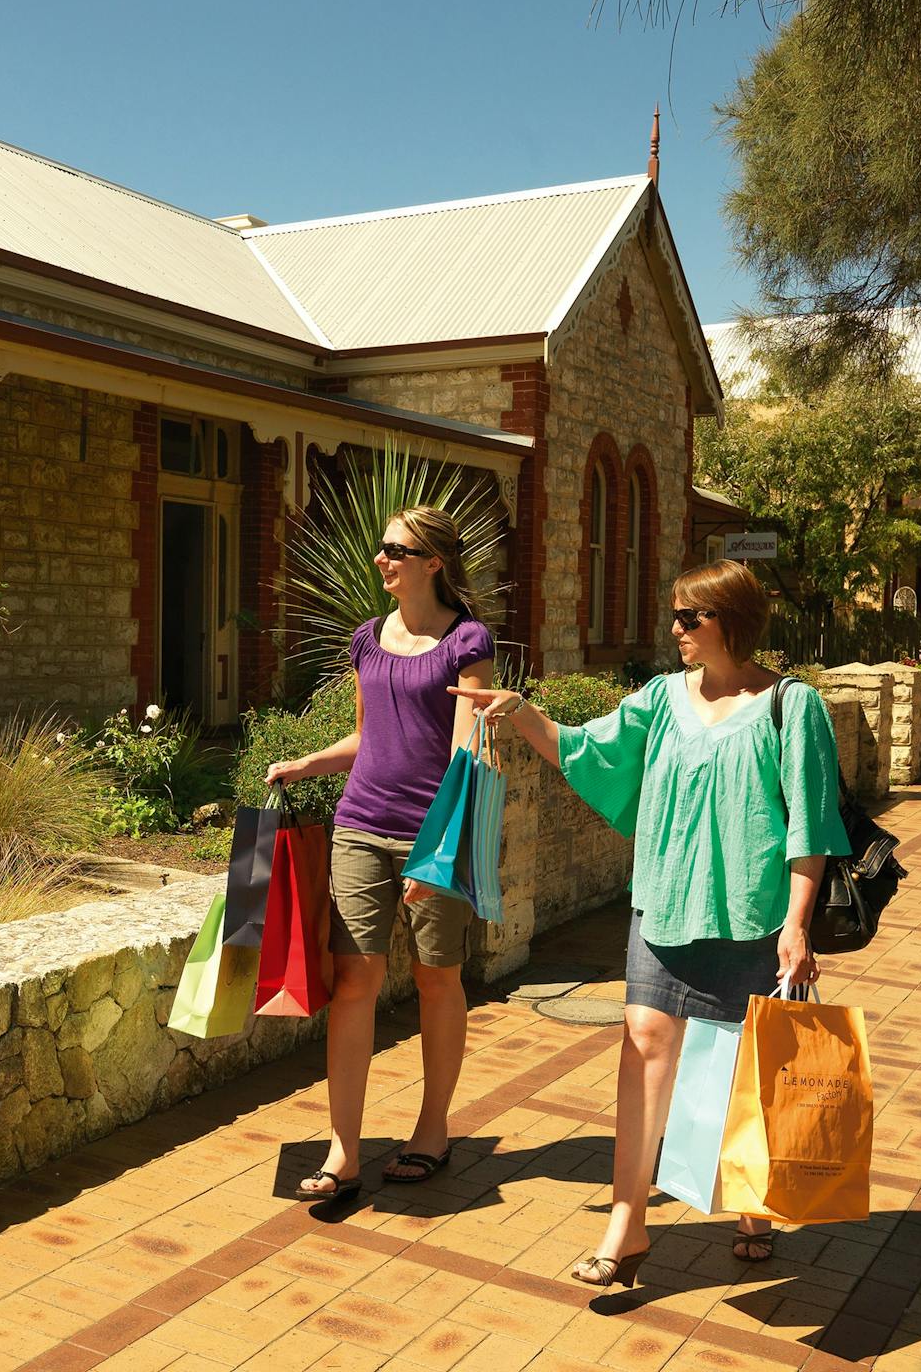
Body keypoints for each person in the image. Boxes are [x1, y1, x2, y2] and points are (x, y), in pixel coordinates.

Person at [451, 559, 848, 1285]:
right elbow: (586, 748)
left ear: (729, 619)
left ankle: (752, 1202)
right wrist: (518, 710)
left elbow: (810, 826)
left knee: (739, 1069)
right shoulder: (661, 699)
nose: (674, 630)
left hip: (751, 916)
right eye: (674, 615)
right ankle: (626, 1224)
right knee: (644, 1047)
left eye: (688, 618)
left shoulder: (794, 706)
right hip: (664, 904)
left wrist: (797, 923)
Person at [266, 505, 496, 1204]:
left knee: (436, 980)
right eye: (380, 548)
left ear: (433, 562)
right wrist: (306, 764)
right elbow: (368, 739)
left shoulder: (468, 642)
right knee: (353, 981)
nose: (381, 560)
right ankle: (343, 1149)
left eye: (395, 549)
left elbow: (467, 752)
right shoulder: (366, 640)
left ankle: (432, 1130)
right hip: (360, 826)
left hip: (432, 835)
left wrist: (439, 855)